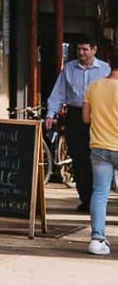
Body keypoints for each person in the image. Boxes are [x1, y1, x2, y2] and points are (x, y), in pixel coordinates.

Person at [46, 38, 110, 212]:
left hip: (98, 116)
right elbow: (58, 93)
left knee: (97, 158)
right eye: (79, 49)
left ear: (94, 49)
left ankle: (97, 199)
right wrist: (50, 114)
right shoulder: (69, 68)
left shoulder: (105, 69)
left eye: (85, 49)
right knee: (78, 158)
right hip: (75, 114)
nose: (81, 53)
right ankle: (86, 199)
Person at [87, 63, 118, 254]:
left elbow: (85, 117)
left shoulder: (94, 86)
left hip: (99, 146)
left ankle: (97, 240)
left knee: (100, 193)